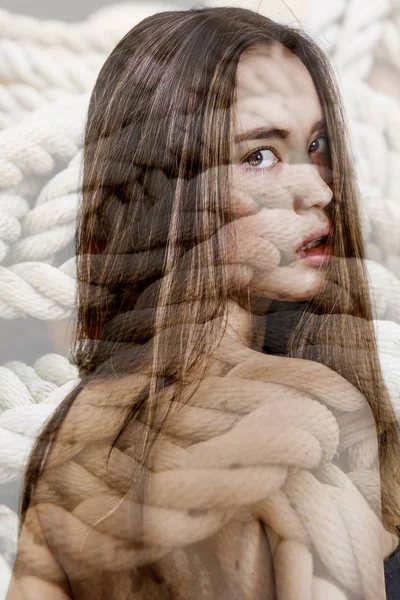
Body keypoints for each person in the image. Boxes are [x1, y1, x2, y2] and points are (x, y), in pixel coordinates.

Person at [5, 6, 400, 599]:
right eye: (259, 155)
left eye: (317, 145)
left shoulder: (66, 443)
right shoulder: (311, 417)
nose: (319, 188)